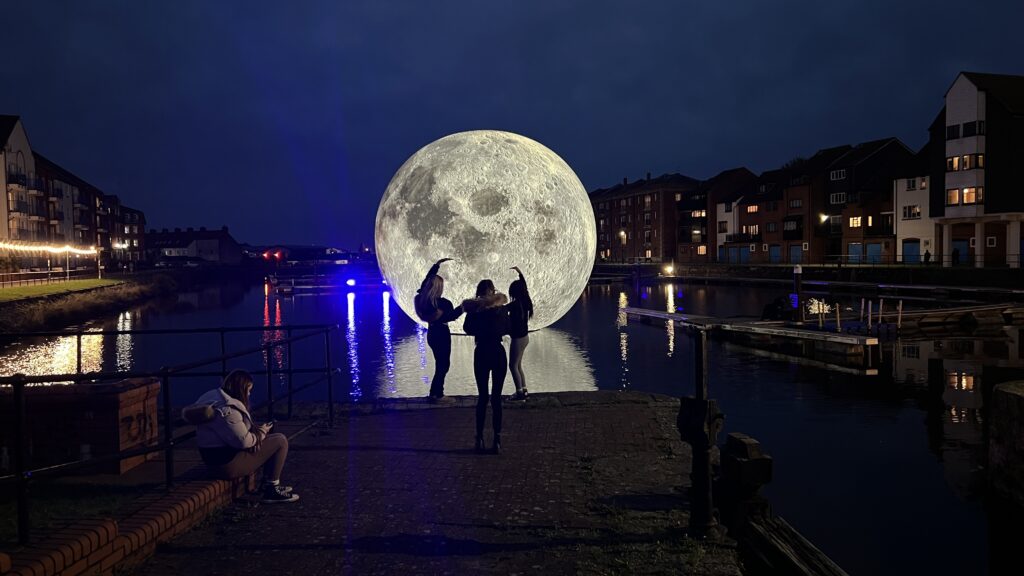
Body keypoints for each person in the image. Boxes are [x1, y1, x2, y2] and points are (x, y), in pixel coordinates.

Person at [187, 370, 299, 503]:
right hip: (226, 465)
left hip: (214, 458)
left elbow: (233, 436)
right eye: (249, 390)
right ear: (241, 389)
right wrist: (262, 432)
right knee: (280, 441)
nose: (249, 394)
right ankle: (271, 490)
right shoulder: (227, 410)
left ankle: (268, 484)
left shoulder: (212, 397)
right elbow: (243, 442)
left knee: (273, 438)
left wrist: (257, 435)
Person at [462, 279, 510, 454]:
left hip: (481, 351)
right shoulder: (501, 309)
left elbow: (467, 328)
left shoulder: (474, 310)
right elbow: (507, 327)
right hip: (497, 352)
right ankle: (497, 439)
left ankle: (479, 437)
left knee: (483, 397)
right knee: (496, 398)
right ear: (492, 292)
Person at [414, 258, 463, 402]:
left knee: (439, 364)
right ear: (438, 287)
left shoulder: (425, 301)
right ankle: (438, 394)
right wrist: (464, 307)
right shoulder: (443, 303)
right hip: (442, 334)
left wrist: (437, 265)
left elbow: (425, 282)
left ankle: (434, 393)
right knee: (443, 365)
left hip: (432, 334)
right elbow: (451, 316)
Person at [506, 266, 534, 401]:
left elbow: (501, 309)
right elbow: (524, 287)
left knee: (512, 365)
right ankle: (524, 390)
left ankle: (519, 394)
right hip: (525, 338)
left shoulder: (515, 305)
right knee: (518, 365)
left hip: (518, 339)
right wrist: (520, 273)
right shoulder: (526, 302)